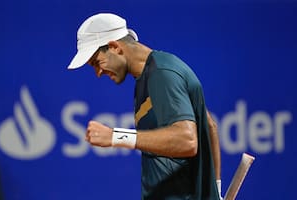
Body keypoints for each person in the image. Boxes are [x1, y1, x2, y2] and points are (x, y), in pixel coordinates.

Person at [67, 13, 222, 200]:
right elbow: (209, 125)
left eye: (96, 62)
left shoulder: (163, 74)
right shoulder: (148, 77)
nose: (98, 73)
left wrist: (115, 136)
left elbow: (187, 140)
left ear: (115, 47)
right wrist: (216, 189)